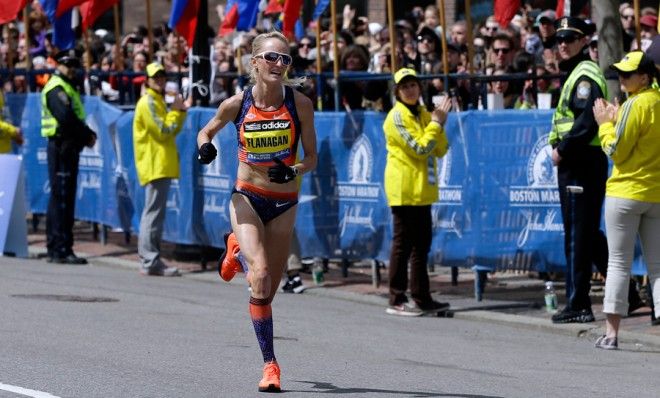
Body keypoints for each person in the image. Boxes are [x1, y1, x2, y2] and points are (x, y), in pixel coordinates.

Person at [196, 31, 317, 392]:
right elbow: (206, 131)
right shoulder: (237, 104)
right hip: (246, 197)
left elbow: (311, 157)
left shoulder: (301, 105)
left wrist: (293, 170)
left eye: (285, 59)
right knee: (260, 274)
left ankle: (235, 250)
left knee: (266, 289)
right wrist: (205, 148)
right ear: (254, 63)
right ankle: (271, 366)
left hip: (284, 203)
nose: (278, 64)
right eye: (271, 57)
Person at [592, 51, 660, 349]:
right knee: (658, 267)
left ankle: (611, 333)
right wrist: (616, 117)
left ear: (644, 77)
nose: (621, 78)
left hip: (626, 192)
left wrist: (605, 124)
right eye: (620, 73)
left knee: (618, 263)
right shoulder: (654, 102)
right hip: (655, 194)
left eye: (628, 74)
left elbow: (616, 150)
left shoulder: (636, 103)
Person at [547, 17, 609, 324]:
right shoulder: (575, 72)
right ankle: (628, 293)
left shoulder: (584, 75)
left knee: (576, 236)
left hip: (580, 161)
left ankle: (578, 304)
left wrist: (562, 149)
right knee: (586, 234)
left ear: (584, 41)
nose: (563, 44)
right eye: (559, 40)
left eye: (570, 39)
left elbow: (586, 121)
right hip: (582, 163)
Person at [382, 67, 451, 316]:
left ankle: (422, 297)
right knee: (403, 244)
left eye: (413, 85)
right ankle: (396, 298)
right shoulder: (396, 117)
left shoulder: (424, 114)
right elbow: (420, 149)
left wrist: (437, 124)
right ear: (397, 92)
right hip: (404, 189)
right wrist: (435, 124)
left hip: (422, 190)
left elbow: (440, 149)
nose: (410, 90)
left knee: (421, 247)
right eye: (404, 87)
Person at [133, 62, 189, 276]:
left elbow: (168, 128)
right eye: (155, 76)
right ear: (147, 80)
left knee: (155, 213)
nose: (159, 79)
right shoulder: (148, 102)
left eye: (162, 76)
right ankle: (150, 261)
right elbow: (164, 131)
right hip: (154, 164)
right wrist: (177, 112)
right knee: (152, 214)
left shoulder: (156, 101)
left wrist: (178, 112)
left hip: (160, 163)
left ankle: (151, 260)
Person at [41, 51, 97, 264]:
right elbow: (66, 118)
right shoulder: (57, 88)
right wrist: (87, 135)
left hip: (67, 145)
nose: (72, 70)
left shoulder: (66, 86)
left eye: (75, 65)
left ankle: (58, 246)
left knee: (61, 197)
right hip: (61, 146)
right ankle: (60, 247)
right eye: (69, 65)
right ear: (59, 65)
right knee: (62, 198)